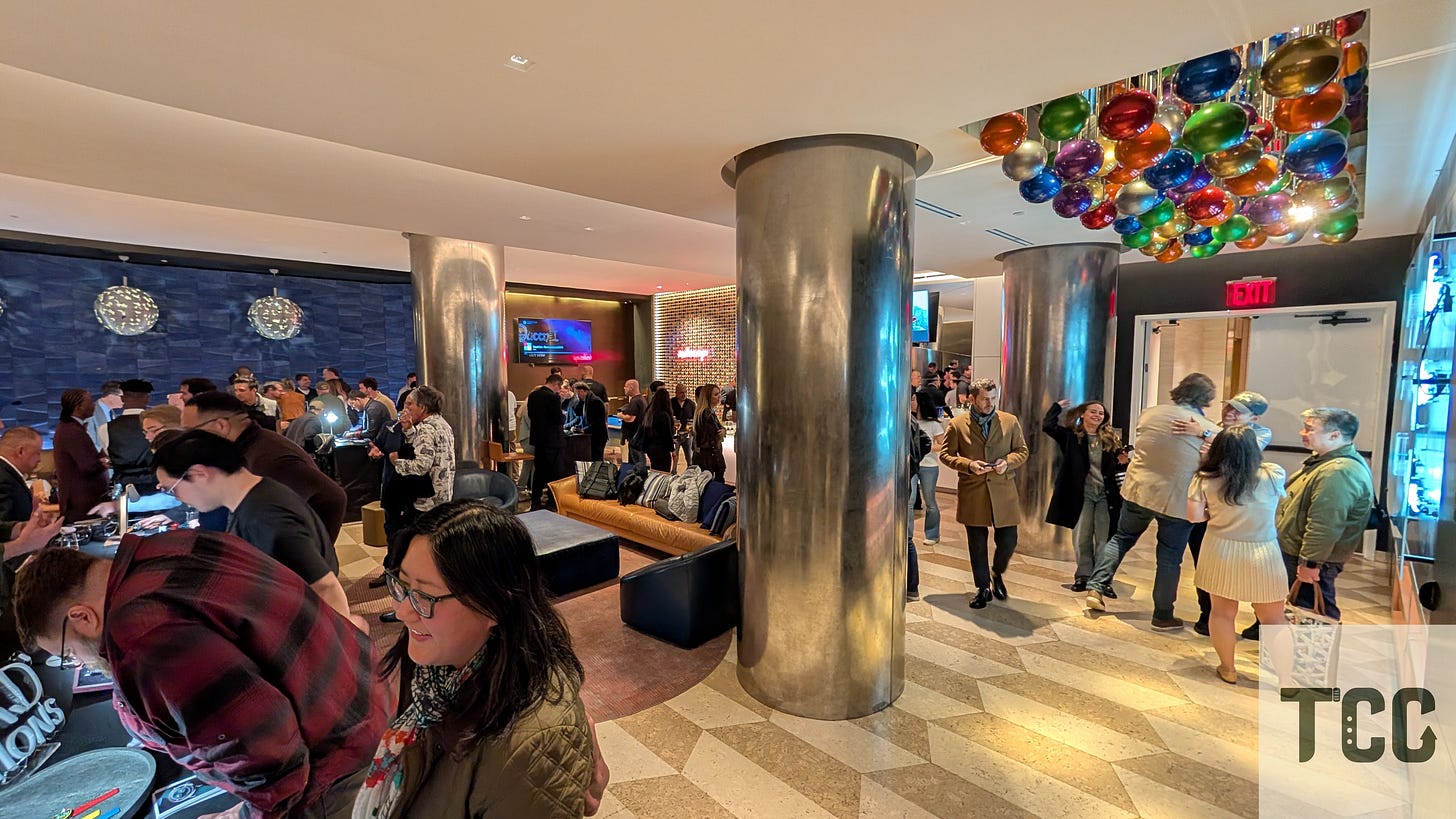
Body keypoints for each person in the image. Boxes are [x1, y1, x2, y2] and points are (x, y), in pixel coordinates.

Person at [13, 533, 388, 818]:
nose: (78, 662)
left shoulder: (142, 636)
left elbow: (265, 755)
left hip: (335, 764)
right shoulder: (164, 546)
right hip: (358, 696)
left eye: (67, 653)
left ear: (81, 617)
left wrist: (248, 813)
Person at [357, 500, 599, 818]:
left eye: (425, 596)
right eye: (402, 585)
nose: (402, 612)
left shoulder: (532, 745)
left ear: (493, 604)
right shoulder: (438, 668)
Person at [152, 430, 354, 621]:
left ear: (199, 474)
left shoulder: (264, 515)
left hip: (305, 629)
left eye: (172, 489)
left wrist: (350, 645)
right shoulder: (255, 495)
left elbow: (325, 587)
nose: (177, 498)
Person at [1084, 373, 1220, 630]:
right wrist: (1204, 433)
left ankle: (1095, 588)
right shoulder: (1208, 427)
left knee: (1121, 539)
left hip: (1139, 491)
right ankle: (1162, 615)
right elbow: (1228, 447)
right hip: (1178, 501)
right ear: (1205, 399)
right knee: (1169, 558)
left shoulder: (1150, 413)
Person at [1186, 425, 1290, 684]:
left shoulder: (1204, 478)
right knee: (1274, 619)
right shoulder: (1274, 473)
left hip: (1220, 549)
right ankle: (1286, 675)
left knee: (1222, 613)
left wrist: (1217, 515)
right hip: (1264, 551)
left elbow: (1194, 517)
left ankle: (1228, 668)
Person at [183, 392, 348, 541]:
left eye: (191, 431)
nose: (188, 439)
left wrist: (318, 553)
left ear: (221, 426)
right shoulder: (247, 449)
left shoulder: (270, 458)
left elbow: (334, 497)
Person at [1173, 390, 1272, 636]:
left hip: (1244, 518)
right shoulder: (1215, 426)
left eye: (1238, 410)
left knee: (1252, 574)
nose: (1230, 412)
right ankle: (1208, 616)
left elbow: (1237, 450)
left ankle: (1263, 620)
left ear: (1255, 418)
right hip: (1212, 509)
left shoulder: (1259, 433)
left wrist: (1203, 433)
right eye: (1228, 407)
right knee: (1206, 567)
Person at [1276, 407, 1374, 624]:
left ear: (1335, 435)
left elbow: (1325, 524)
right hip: (1304, 553)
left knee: (1312, 613)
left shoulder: (1337, 471)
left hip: (1316, 560)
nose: (1303, 433)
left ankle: (1310, 657)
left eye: (1309, 429)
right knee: (1304, 610)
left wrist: (1310, 563)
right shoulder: (1324, 461)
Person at [939, 378, 1029, 609]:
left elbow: (1022, 451)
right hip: (974, 491)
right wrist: (968, 465)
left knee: (1009, 540)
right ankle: (983, 588)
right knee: (977, 544)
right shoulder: (958, 424)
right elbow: (946, 455)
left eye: (993, 398)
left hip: (1003, 490)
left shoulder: (1010, 421)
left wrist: (1007, 462)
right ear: (972, 399)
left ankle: (997, 572)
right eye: (985, 399)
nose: (990, 403)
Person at [370, 387, 456, 623]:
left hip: (426, 502)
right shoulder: (442, 424)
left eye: (409, 405)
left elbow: (421, 465)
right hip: (441, 498)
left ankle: (410, 606)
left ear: (423, 408)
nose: (405, 409)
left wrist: (396, 461)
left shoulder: (427, 428)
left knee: (414, 557)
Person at [1042, 399, 1126, 591]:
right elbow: (1048, 426)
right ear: (1083, 414)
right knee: (1082, 536)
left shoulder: (1111, 438)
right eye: (1093, 412)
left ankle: (1102, 579)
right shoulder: (1072, 436)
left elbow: (1118, 465)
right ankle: (1083, 576)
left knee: (1105, 539)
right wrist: (1056, 407)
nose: (1097, 416)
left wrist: (1123, 459)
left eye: (1101, 413)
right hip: (1081, 494)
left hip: (1106, 495)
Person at [55, 388, 110, 522]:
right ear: (78, 407)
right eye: (90, 402)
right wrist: (105, 462)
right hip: (82, 502)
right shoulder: (72, 432)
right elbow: (88, 467)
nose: (93, 406)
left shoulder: (69, 428)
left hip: (80, 500)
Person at [102, 379, 158, 494]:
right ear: (147, 398)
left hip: (123, 490)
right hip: (156, 488)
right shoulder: (159, 426)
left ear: (122, 398)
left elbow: (109, 458)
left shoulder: (105, 428)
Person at [527, 374, 567, 510]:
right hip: (553, 441)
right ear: (556, 384)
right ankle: (552, 502)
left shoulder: (533, 396)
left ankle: (535, 501)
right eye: (559, 387)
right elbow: (558, 419)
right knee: (555, 473)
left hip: (539, 440)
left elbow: (531, 415)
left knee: (539, 472)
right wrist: (562, 413)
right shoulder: (553, 397)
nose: (559, 390)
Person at [912, 388, 946, 547]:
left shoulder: (933, 424)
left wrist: (924, 447)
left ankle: (932, 534)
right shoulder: (909, 421)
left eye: (914, 400)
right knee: (909, 500)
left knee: (930, 501)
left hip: (929, 466)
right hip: (912, 465)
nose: (911, 403)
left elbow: (943, 445)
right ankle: (907, 533)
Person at [691, 384, 727, 481]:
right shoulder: (706, 414)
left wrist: (723, 430)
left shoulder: (708, 412)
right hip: (709, 459)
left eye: (719, 393)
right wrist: (722, 432)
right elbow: (716, 433)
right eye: (716, 394)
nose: (719, 396)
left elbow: (720, 428)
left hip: (708, 457)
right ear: (708, 397)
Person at [640, 387, 675, 472]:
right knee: (664, 472)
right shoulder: (664, 415)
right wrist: (672, 449)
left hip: (651, 448)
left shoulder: (650, 413)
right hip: (662, 449)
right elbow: (667, 435)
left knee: (655, 470)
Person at [573, 382, 608, 462]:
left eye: (577, 393)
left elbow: (597, 423)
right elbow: (577, 412)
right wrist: (579, 401)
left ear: (582, 391)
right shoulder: (585, 401)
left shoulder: (595, 401)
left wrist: (584, 430)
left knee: (597, 461)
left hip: (597, 437)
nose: (576, 396)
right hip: (591, 437)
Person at [85, 380, 124, 451]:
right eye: (123, 396)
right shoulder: (89, 413)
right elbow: (89, 443)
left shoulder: (111, 413)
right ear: (111, 397)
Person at [616, 379, 646, 465]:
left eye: (626, 387)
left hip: (634, 437)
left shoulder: (635, 401)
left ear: (631, 387)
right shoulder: (642, 399)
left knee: (635, 461)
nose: (624, 388)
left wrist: (620, 415)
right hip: (638, 436)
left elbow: (630, 418)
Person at [671, 383, 696, 472]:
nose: (684, 394)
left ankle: (690, 474)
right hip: (675, 435)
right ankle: (673, 473)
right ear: (676, 393)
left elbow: (694, 418)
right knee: (674, 457)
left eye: (685, 392)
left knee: (689, 456)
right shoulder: (671, 403)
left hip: (687, 435)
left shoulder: (691, 404)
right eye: (681, 392)